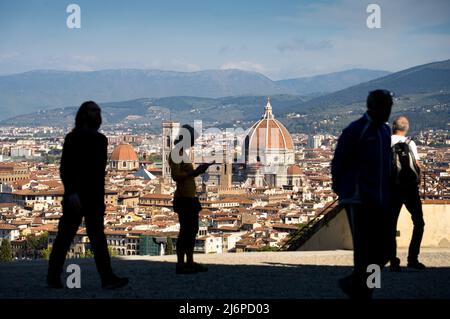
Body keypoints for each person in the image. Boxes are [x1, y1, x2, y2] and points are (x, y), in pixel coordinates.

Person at [47, 101, 128, 289]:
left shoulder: (101, 140)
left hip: (94, 197)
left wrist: (100, 200)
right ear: (84, 114)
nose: (96, 114)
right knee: (65, 237)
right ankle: (53, 276)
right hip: (75, 197)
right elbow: (65, 169)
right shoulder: (72, 139)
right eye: (93, 111)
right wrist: (72, 192)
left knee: (97, 238)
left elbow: (98, 173)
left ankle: (107, 278)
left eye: (98, 111)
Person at [331, 89, 394, 299]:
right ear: (373, 107)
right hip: (359, 199)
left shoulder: (385, 132)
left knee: (384, 248)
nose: (388, 112)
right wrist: (342, 191)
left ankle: (357, 284)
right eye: (385, 107)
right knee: (364, 250)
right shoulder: (356, 130)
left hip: (381, 199)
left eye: (389, 107)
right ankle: (367, 292)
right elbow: (338, 162)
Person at [169, 124, 214, 274]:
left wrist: (197, 171)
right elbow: (176, 176)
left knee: (192, 230)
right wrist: (194, 172)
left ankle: (189, 262)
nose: (194, 142)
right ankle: (181, 264)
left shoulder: (181, 152)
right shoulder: (176, 153)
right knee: (186, 231)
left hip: (189, 196)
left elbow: (185, 174)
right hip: (184, 198)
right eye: (192, 139)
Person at [389, 116, 425, 271]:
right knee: (419, 222)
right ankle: (412, 258)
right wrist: (419, 179)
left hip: (391, 189)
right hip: (410, 189)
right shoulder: (410, 143)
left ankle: (393, 261)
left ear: (393, 127)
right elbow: (416, 165)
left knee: (390, 225)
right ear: (406, 129)